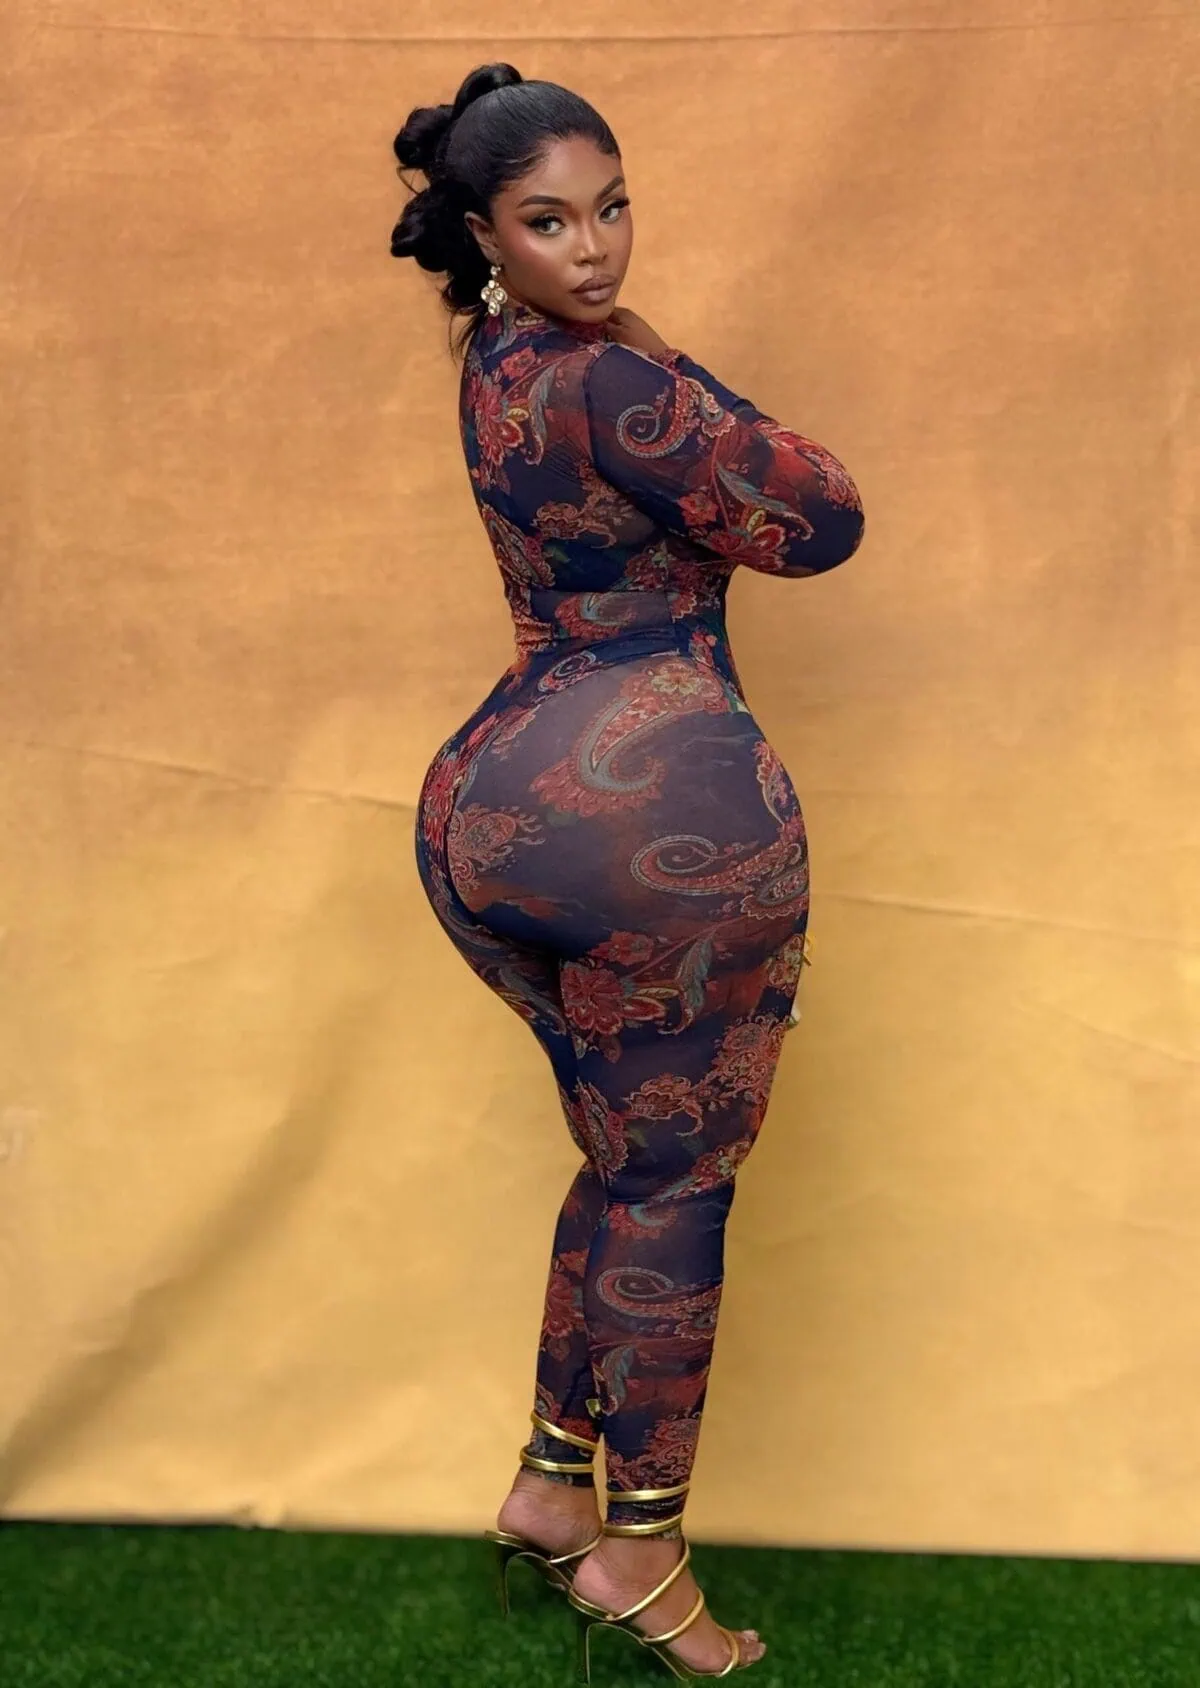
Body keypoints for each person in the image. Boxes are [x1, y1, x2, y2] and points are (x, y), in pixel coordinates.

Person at [391, 61, 864, 1682]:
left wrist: (628, 344)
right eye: (549, 221)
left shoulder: (497, 361)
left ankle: (552, 1484)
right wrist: (663, 352)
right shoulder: (610, 378)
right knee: (675, 1184)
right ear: (483, 231)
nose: (593, 250)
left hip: (489, 808)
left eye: (613, 210)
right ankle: (642, 1552)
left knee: (621, 1158)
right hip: (658, 815)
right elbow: (821, 515)